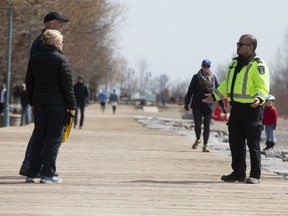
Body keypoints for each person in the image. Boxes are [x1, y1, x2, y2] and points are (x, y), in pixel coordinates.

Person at [203, 34, 269, 184]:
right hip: (236, 109)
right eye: (237, 44)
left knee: (253, 143)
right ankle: (238, 173)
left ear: (250, 48)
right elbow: (227, 85)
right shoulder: (234, 64)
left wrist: (259, 98)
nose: (237, 47)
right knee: (236, 142)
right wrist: (214, 96)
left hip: (252, 109)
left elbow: (263, 86)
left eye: (241, 44)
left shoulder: (258, 65)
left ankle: (255, 175)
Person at [19, 11, 69, 176]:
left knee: (40, 133)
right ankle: (34, 166)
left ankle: (32, 166)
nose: (61, 26)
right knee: (44, 135)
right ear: (51, 23)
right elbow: (38, 73)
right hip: (49, 99)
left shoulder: (41, 41)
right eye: (59, 22)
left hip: (42, 98)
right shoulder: (44, 43)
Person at [25, 29, 76, 183]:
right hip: (57, 105)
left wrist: (32, 102)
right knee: (53, 139)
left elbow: (29, 83)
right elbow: (67, 86)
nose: (62, 44)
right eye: (61, 41)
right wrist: (72, 106)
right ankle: (48, 174)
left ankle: (31, 173)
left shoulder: (34, 59)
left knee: (39, 137)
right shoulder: (61, 60)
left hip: (40, 105)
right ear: (55, 43)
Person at [184, 59, 226, 153]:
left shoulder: (213, 78)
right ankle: (198, 138)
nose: (206, 68)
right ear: (202, 66)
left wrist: (222, 105)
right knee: (198, 124)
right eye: (204, 66)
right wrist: (186, 102)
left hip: (209, 105)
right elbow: (190, 90)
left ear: (209, 67)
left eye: (207, 66)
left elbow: (218, 92)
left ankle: (205, 145)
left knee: (207, 125)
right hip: (197, 104)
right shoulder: (196, 77)